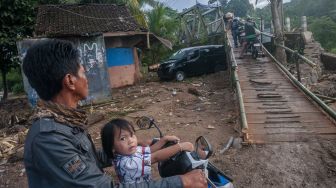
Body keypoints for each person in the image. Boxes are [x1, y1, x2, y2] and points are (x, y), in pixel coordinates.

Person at [22, 39, 207, 188]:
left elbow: (88, 161)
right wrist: (183, 181)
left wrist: (127, 146)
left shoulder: (65, 121)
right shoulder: (49, 138)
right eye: (83, 73)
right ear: (70, 81)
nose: (87, 79)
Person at [101, 118, 194, 184]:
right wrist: (180, 147)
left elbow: (150, 150)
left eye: (132, 135)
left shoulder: (126, 152)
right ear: (112, 147)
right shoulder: (127, 163)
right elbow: (155, 157)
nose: (130, 140)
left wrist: (164, 139)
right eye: (122, 138)